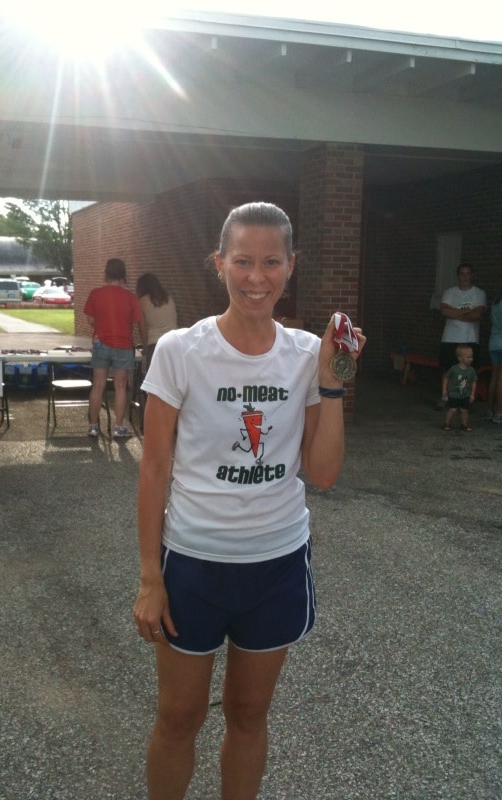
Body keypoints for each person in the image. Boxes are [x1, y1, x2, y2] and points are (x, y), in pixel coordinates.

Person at [133, 202, 366, 800]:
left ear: (292, 266)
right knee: (179, 717)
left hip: (276, 566)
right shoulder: (180, 351)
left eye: (270, 262)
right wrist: (149, 577)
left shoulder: (304, 355)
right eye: (242, 261)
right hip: (192, 565)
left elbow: (323, 472)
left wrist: (334, 381)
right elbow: (154, 468)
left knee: (248, 716)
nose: (255, 276)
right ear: (220, 264)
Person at [83, 257, 145, 439]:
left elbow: (90, 319)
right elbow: (136, 321)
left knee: (98, 385)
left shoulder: (96, 293)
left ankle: (93, 426)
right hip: (123, 344)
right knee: (120, 387)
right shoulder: (130, 297)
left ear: (106, 273)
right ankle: (119, 427)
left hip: (101, 342)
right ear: (124, 275)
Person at [438, 262, 486, 407]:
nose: (465, 276)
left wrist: (455, 312)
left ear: (472, 275)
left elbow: (477, 314)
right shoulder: (449, 292)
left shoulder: (479, 293)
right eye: (462, 273)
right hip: (450, 337)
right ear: (458, 276)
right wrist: (466, 312)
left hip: (469, 338)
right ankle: (445, 397)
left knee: (468, 371)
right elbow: (444, 311)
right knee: (448, 369)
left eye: (467, 273)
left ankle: (464, 400)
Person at [135, 272, 178, 370]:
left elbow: (142, 329)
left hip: (155, 344)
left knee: (154, 381)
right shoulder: (169, 298)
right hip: (173, 343)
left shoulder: (142, 302)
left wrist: (145, 347)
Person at [486, 274, 502, 424]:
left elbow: (491, 321)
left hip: (493, 342)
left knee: (494, 377)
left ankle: (489, 411)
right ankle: (500, 413)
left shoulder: (496, 301)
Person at [442, 344, 477, 432]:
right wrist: (444, 389)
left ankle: (464, 425)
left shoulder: (471, 370)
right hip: (454, 394)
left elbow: (473, 382)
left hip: (465, 395)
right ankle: (447, 423)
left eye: (471, 357)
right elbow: (446, 377)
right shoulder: (454, 369)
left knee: (464, 410)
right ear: (460, 358)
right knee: (452, 410)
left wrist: (472, 394)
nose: (471, 359)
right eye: (468, 357)